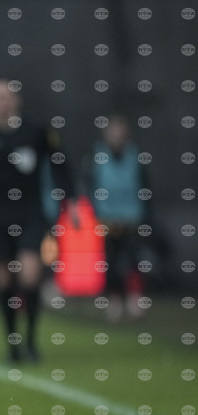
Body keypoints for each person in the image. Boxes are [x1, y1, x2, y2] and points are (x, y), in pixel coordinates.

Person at [0, 79, 75, 363]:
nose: (4, 102)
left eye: (8, 97)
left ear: (17, 100)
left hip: (31, 213)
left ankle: (32, 342)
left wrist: (71, 201)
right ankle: (13, 345)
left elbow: (60, 164)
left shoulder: (36, 131)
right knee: (4, 280)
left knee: (29, 274)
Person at [89, 114, 149, 322]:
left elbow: (144, 186)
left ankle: (135, 298)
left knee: (133, 259)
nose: (116, 136)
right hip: (107, 218)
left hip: (131, 217)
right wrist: (97, 214)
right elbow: (91, 185)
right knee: (110, 262)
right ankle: (114, 299)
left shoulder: (135, 156)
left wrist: (144, 216)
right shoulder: (97, 156)